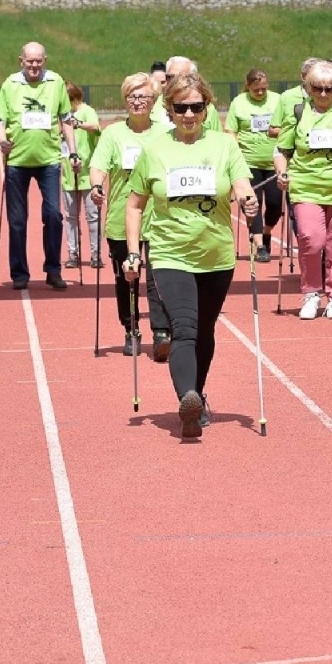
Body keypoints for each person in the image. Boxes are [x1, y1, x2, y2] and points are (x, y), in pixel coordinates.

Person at [123, 73, 255, 438]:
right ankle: (188, 399)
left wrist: (248, 200)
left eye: (196, 107)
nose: (189, 114)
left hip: (217, 254)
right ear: (169, 109)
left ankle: (197, 393)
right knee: (184, 327)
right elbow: (135, 205)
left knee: (206, 330)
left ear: (206, 107)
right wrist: (133, 253)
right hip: (170, 253)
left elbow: (241, 183)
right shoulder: (155, 150)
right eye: (181, 107)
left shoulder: (223, 146)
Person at [91, 73, 168, 357]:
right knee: (128, 276)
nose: (137, 102)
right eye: (132, 97)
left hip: (160, 216)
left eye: (143, 97)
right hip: (123, 218)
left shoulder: (165, 131)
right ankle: (131, 327)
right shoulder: (113, 133)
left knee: (160, 274)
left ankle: (161, 330)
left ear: (153, 100)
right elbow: (98, 165)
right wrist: (97, 186)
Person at [275, 59, 332, 321]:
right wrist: (282, 171)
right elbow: (281, 150)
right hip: (306, 186)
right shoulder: (298, 112)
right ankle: (311, 292)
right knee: (312, 240)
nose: (323, 94)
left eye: (329, 89)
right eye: (318, 88)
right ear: (308, 87)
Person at [0, 42, 76, 290]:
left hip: (49, 160)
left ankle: (53, 269)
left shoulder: (55, 82)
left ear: (45, 60)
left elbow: (66, 119)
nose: (34, 65)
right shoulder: (10, 84)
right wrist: (2, 140)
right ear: (21, 61)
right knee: (17, 220)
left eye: (38, 61)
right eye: (30, 61)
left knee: (53, 215)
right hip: (17, 161)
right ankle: (19, 273)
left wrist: (73, 152)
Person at [224, 68, 283, 263]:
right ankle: (259, 245)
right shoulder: (239, 103)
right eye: (256, 89)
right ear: (248, 86)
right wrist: (235, 155)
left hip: (273, 162)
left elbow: (287, 125)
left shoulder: (277, 100)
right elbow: (230, 130)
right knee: (252, 202)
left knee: (275, 204)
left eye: (263, 89)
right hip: (248, 162)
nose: (260, 93)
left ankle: (266, 232)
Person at [62, 82, 102, 269]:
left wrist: (78, 124)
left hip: (87, 172)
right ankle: (73, 253)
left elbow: (95, 126)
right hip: (67, 174)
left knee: (92, 216)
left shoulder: (86, 110)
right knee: (70, 217)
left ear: (74, 98)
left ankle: (96, 254)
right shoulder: (61, 114)